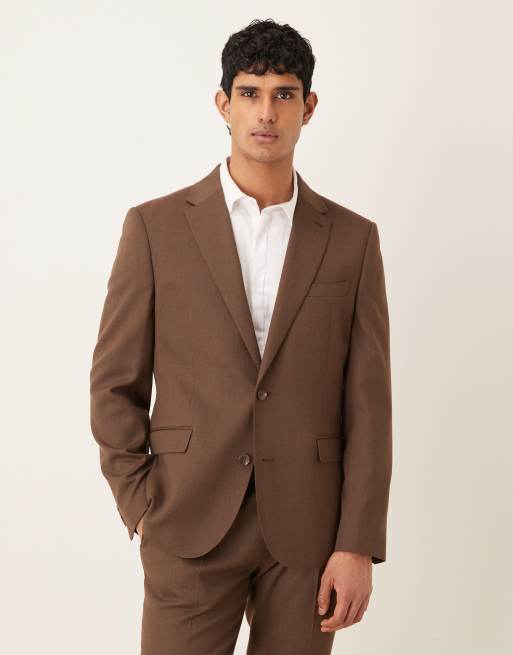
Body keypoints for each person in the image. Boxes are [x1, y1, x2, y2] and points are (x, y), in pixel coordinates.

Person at [90, 18, 392, 655]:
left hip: (309, 533)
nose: (266, 112)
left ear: (309, 107)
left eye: (285, 95)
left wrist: (358, 542)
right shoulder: (155, 228)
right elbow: (114, 383)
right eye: (250, 93)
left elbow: (369, 404)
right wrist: (141, 503)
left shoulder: (353, 240)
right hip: (187, 519)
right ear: (223, 104)